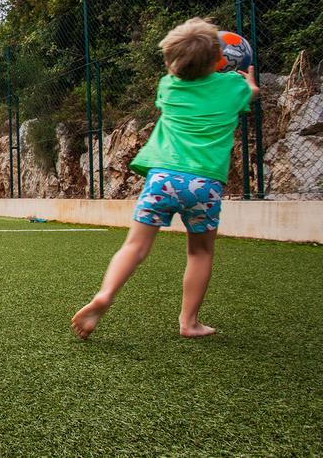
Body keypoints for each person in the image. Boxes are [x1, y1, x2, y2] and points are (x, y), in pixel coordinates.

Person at [72, 18, 258, 340]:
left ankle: (105, 295)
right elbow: (250, 93)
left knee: (135, 246)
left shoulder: (167, 87)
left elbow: (183, 73)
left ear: (171, 62)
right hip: (205, 185)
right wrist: (248, 84)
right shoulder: (234, 89)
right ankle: (189, 322)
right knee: (199, 252)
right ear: (220, 59)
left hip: (163, 179)